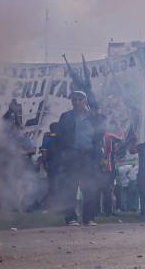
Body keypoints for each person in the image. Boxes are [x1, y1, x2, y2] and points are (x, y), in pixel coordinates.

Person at [54, 90, 104, 226]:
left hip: (89, 156)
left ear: (85, 101)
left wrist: (98, 156)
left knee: (90, 187)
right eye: (74, 99)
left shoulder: (94, 118)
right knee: (70, 187)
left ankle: (89, 218)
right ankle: (71, 218)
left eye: (79, 99)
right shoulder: (66, 117)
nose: (76, 102)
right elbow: (59, 138)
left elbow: (100, 136)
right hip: (72, 155)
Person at [129, 129, 145, 216]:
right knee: (143, 193)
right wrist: (134, 141)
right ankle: (144, 211)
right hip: (143, 173)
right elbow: (132, 151)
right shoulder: (141, 146)